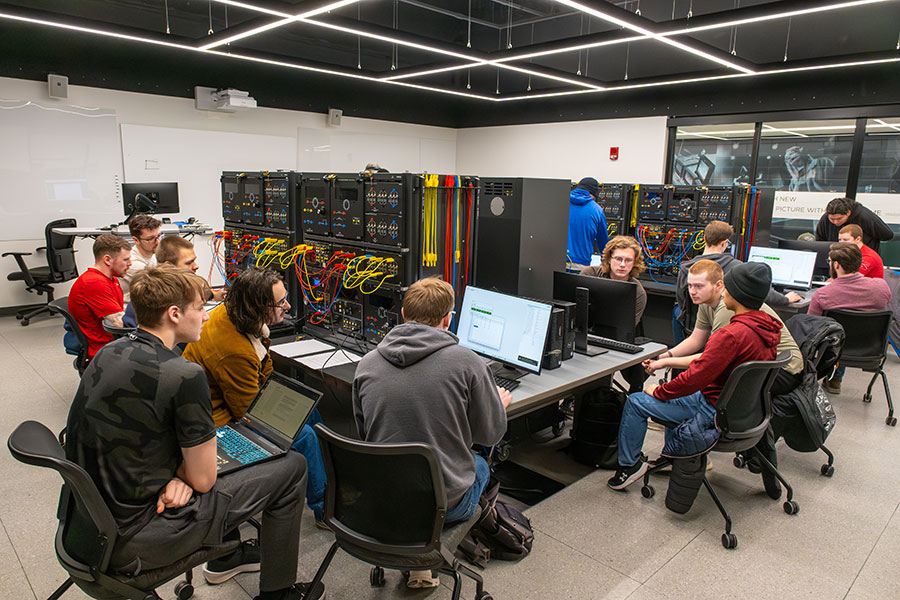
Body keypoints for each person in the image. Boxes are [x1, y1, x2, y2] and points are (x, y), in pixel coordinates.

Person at [64, 265, 323, 600]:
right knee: (292, 468)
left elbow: (131, 431)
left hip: (89, 527)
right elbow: (203, 481)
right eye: (200, 308)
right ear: (174, 314)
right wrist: (185, 476)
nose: (205, 317)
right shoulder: (183, 374)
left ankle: (230, 556)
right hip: (143, 536)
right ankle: (278, 593)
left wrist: (176, 474)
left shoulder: (109, 352)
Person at [353, 276, 510, 588]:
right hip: (444, 506)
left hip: (384, 499)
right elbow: (490, 436)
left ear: (402, 314)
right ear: (447, 319)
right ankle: (433, 551)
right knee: (480, 464)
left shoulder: (367, 364)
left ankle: (417, 555)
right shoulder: (467, 361)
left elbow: (365, 435)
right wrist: (499, 407)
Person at [182, 269, 328, 565]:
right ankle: (324, 508)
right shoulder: (233, 350)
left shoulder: (236, 315)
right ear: (258, 308)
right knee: (306, 437)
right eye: (281, 302)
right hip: (220, 426)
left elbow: (264, 372)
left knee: (311, 411)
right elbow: (249, 413)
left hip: (233, 403)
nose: (288, 306)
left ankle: (329, 481)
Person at [609, 262, 782, 491]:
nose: (724, 293)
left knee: (636, 401)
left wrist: (658, 391)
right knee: (675, 391)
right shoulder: (768, 327)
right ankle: (673, 457)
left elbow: (695, 377)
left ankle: (629, 467)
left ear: (737, 294)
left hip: (713, 410)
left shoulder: (731, 334)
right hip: (744, 411)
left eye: (728, 288)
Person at [648, 260, 804, 396]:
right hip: (761, 365)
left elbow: (710, 359)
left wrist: (666, 363)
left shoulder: (727, 307)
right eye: (689, 285)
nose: (692, 291)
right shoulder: (707, 301)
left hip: (783, 371)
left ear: (718, 285)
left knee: (703, 387)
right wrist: (667, 355)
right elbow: (696, 339)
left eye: (698, 286)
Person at [673, 220, 800, 342]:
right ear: (724, 243)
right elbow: (764, 294)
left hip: (693, 324)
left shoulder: (687, 267)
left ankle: (679, 359)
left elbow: (682, 299)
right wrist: (786, 299)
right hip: (722, 323)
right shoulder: (736, 267)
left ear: (705, 239)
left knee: (677, 311)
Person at [808, 242, 892, 394]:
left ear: (837, 265)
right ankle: (835, 380)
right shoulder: (881, 287)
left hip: (832, 351)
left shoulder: (823, 294)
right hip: (872, 350)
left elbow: (810, 326)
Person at [580, 235, 648, 392]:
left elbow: (625, 329)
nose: (623, 265)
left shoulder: (638, 293)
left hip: (611, 342)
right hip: (582, 335)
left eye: (628, 260)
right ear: (609, 259)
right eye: (618, 258)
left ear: (635, 262)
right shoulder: (589, 274)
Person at [123, 237, 226, 328]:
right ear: (168, 266)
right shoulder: (163, 300)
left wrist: (214, 295)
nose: (196, 266)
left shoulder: (153, 289)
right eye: (189, 262)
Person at [68, 233, 132, 361]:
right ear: (107, 260)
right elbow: (120, 324)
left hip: (112, 341)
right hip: (105, 348)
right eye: (125, 259)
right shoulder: (94, 283)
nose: (130, 263)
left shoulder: (111, 279)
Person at [815, 196, 893, 253]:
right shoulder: (825, 219)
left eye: (839, 219)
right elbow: (820, 240)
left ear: (848, 213)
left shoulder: (864, 217)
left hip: (863, 259)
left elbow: (887, 234)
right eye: (832, 219)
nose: (835, 222)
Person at [567, 177, 608, 270]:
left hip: (556, 261)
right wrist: (606, 262)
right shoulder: (597, 210)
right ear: (593, 194)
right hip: (580, 265)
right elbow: (603, 242)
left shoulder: (559, 202)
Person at [120, 214, 162, 302]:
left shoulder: (153, 253)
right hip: (132, 310)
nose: (158, 242)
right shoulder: (133, 264)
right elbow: (160, 292)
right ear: (136, 240)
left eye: (159, 236)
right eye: (150, 239)